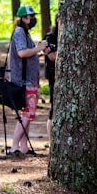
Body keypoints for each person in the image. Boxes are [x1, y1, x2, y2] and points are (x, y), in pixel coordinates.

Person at [8, 4, 48, 157]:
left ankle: (24, 147)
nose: (33, 20)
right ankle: (14, 146)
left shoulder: (25, 33)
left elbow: (29, 54)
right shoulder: (19, 32)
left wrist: (39, 50)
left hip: (30, 80)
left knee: (28, 115)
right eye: (31, 17)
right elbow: (22, 53)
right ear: (23, 18)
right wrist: (38, 48)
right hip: (24, 81)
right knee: (26, 114)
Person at [43, 15, 59, 143]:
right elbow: (51, 56)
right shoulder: (50, 37)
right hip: (54, 76)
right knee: (54, 108)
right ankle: (51, 142)